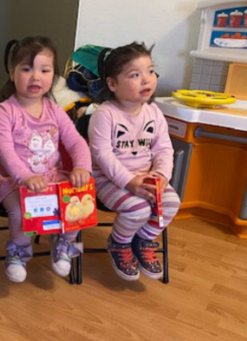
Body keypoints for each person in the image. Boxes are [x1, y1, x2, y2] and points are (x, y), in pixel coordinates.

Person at [0, 36, 92, 283]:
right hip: (12, 180)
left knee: (77, 202)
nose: (36, 77)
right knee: (21, 213)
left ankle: (65, 245)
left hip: (51, 176)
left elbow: (76, 141)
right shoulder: (4, 111)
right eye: (26, 69)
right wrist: (25, 177)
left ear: (53, 76)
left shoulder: (54, 109)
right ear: (12, 73)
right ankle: (18, 253)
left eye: (45, 70)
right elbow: (4, 150)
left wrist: (82, 166)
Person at [88, 42, 181, 281]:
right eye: (135, 75)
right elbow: (102, 156)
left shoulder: (154, 112)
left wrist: (161, 176)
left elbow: (163, 148)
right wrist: (129, 182)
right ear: (112, 84)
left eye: (150, 71)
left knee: (171, 203)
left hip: (147, 176)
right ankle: (119, 243)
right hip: (108, 179)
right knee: (138, 209)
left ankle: (142, 239)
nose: (146, 79)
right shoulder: (104, 114)